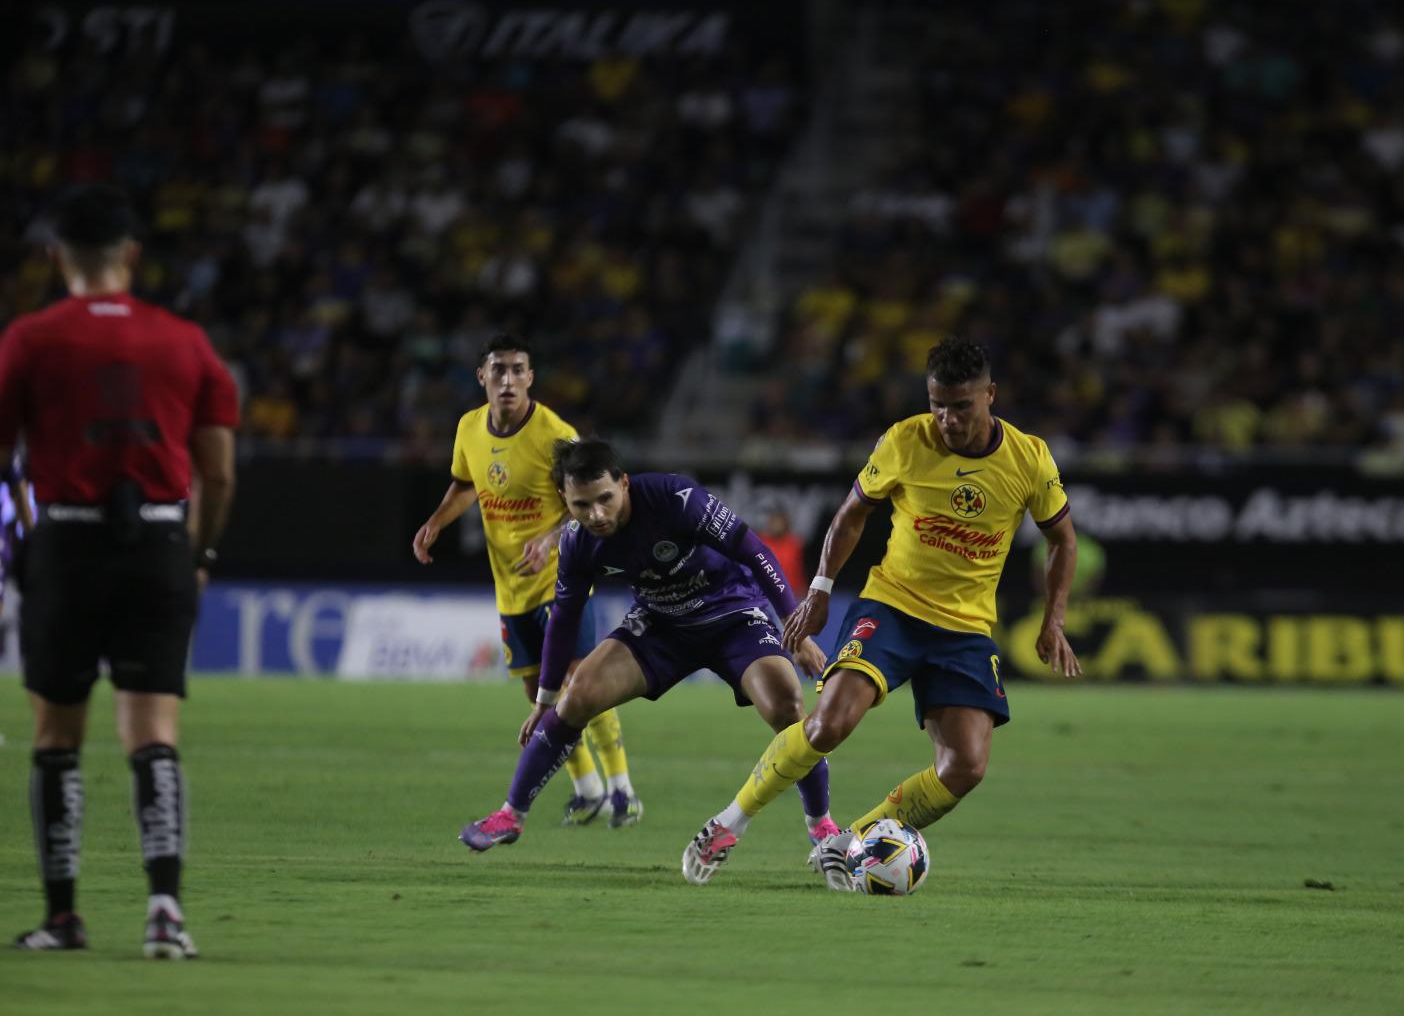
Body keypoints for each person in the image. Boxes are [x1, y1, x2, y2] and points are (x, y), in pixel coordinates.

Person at [683, 335, 1080, 889]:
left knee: (964, 767)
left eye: (961, 405)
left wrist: (1053, 619)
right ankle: (729, 823)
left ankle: (848, 843)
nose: (946, 418)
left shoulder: (1029, 458)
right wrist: (820, 590)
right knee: (828, 724)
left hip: (965, 628)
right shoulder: (904, 440)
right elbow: (850, 516)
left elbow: (1062, 539)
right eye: (937, 403)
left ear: (990, 395)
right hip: (893, 604)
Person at [0, 183, 239, 955]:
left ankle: (63, 917)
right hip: (161, 547)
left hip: (67, 545)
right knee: (152, 732)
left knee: (55, 735)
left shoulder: (30, 340)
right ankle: (165, 912)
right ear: (131, 257)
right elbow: (221, 473)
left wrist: (29, 534)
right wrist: (198, 553)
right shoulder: (186, 341)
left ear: (55, 257)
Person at [456, 439, 841, 873]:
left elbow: (753, 549)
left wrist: (796, 623)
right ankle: (511, 815)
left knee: (787, 705)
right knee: (577, 695)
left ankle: (822, 827)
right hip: (662, 626)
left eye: (605, 498)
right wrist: (545, 699)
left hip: (732, 613)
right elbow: (564, 618)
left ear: (624, 483)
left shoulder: (675, 498)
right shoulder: (577, 542)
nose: (597, 514)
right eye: (582, 505)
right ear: (565, 499)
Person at [413, 334, 641, 827]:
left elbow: (598, 502)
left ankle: (622, 788)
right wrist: (436, 522)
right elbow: (466, 482)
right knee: (538, 691)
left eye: (519, 370)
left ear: (531, 378)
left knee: (583, 682)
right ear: (483, 378)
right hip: (510, 588)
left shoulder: (556, 434)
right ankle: (588, 790)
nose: (509, 380)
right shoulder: (469, 428)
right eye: (499, 370)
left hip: (562, 581)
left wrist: (553, 538)